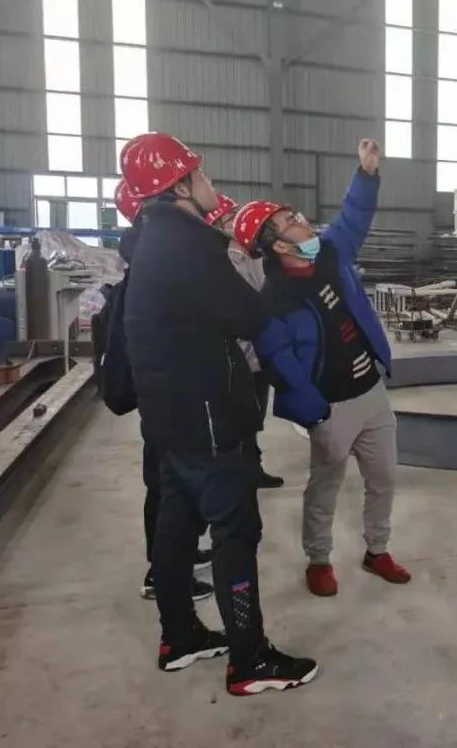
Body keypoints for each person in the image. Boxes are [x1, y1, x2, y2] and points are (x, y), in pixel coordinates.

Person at [120, 132, 317, 696]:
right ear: (179, 187)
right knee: (236, 533)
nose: (210, 183)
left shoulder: (153, 241)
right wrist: (268, 262)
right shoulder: (191, 246)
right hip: (207, 417)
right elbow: (249, 316)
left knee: (177, 527)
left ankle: (179, 636)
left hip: (168, 419)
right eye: (200, 174)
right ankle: (249, 659)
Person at [232, 138, 411, 598]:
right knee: (325, 486)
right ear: (276, 245)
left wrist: (366, 174)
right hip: (332, 406)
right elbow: (279, 362)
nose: (301, 220)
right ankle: (318, 559)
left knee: (384, 478)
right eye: (290, 221)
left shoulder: (330, 253)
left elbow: (354, 217)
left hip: (371, 391)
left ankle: (377, 550)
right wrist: (315, 411)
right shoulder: (273, 301)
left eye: (294, 214)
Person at [114, 181, 213, 602]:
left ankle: (179, 555)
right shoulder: (154, 258)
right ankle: (163, 572)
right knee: (166, 486)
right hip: (167, 395)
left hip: (168, 392)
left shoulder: (150, 253)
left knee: (172, 484)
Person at [206, 194, 284, 490]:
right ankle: (236, 472)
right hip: (236, 356)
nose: (236, 222)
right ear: (218, 226)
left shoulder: (256, 255)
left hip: (259, 354)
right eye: (230, 218)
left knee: (254, 415)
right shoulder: (223, 263)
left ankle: (252, 466)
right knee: (235, 418)